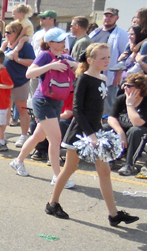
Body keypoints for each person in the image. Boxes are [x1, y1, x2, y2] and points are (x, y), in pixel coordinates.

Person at [45, 43, 139, 226]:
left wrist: (99, 131)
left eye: (108, 57)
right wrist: (91, 135)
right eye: (102, 58)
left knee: (104, 172)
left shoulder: (102, 78)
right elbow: (77, 110)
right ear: (90, 60)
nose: (107, 60)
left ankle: (113, 214)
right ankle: (52, 204)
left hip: (97, 131)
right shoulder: (83, 79)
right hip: (81, 133)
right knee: (70, 168)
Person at [10, 29, 78, 186]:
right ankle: (57, 177)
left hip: (57, 101)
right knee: (55, 139)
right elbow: (29, 73)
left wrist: (72, 64)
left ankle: (18, 161)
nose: (63, 43)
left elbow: (79, 69)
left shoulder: (65, 56)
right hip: (43, 100)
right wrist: (51, 66)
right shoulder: (45, 55)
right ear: (50, 43)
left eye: (64, 40)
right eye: (60, 40)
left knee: (38, 136)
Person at [89, 7, 129, 114]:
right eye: (106, 15)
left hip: (109, 77)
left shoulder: (121, 34)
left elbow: (125, 56)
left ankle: (107, 124)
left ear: (117, 18)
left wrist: (119, 73)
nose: (108, 18)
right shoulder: (95, 32)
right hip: (92, 75)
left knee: (107, 107)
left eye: (111, 16)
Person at [108, 73, 147, 176]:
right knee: (106, 128)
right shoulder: (121, 98)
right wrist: (120, 133)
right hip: (124, 131)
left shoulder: (145, 102)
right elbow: (111, 118)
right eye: (124, 84)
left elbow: (137, 123)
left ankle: (129, 165)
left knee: (135, 131)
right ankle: (110, 158)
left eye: (128, 86)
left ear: (140, 88)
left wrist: (129, 104)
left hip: (141, 134)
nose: (124, 87)